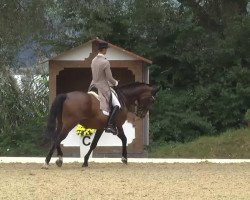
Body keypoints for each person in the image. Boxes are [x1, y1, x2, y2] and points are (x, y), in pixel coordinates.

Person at [89, 41, 121, 135]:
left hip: (92, 85)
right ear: (103, 49)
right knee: (117, 105)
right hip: (102, 87)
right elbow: (109, 78)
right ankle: (110, 125)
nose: (106, 50)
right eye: (106, 49)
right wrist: (116, 82)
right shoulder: (105, 62)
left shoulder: (93, 60)